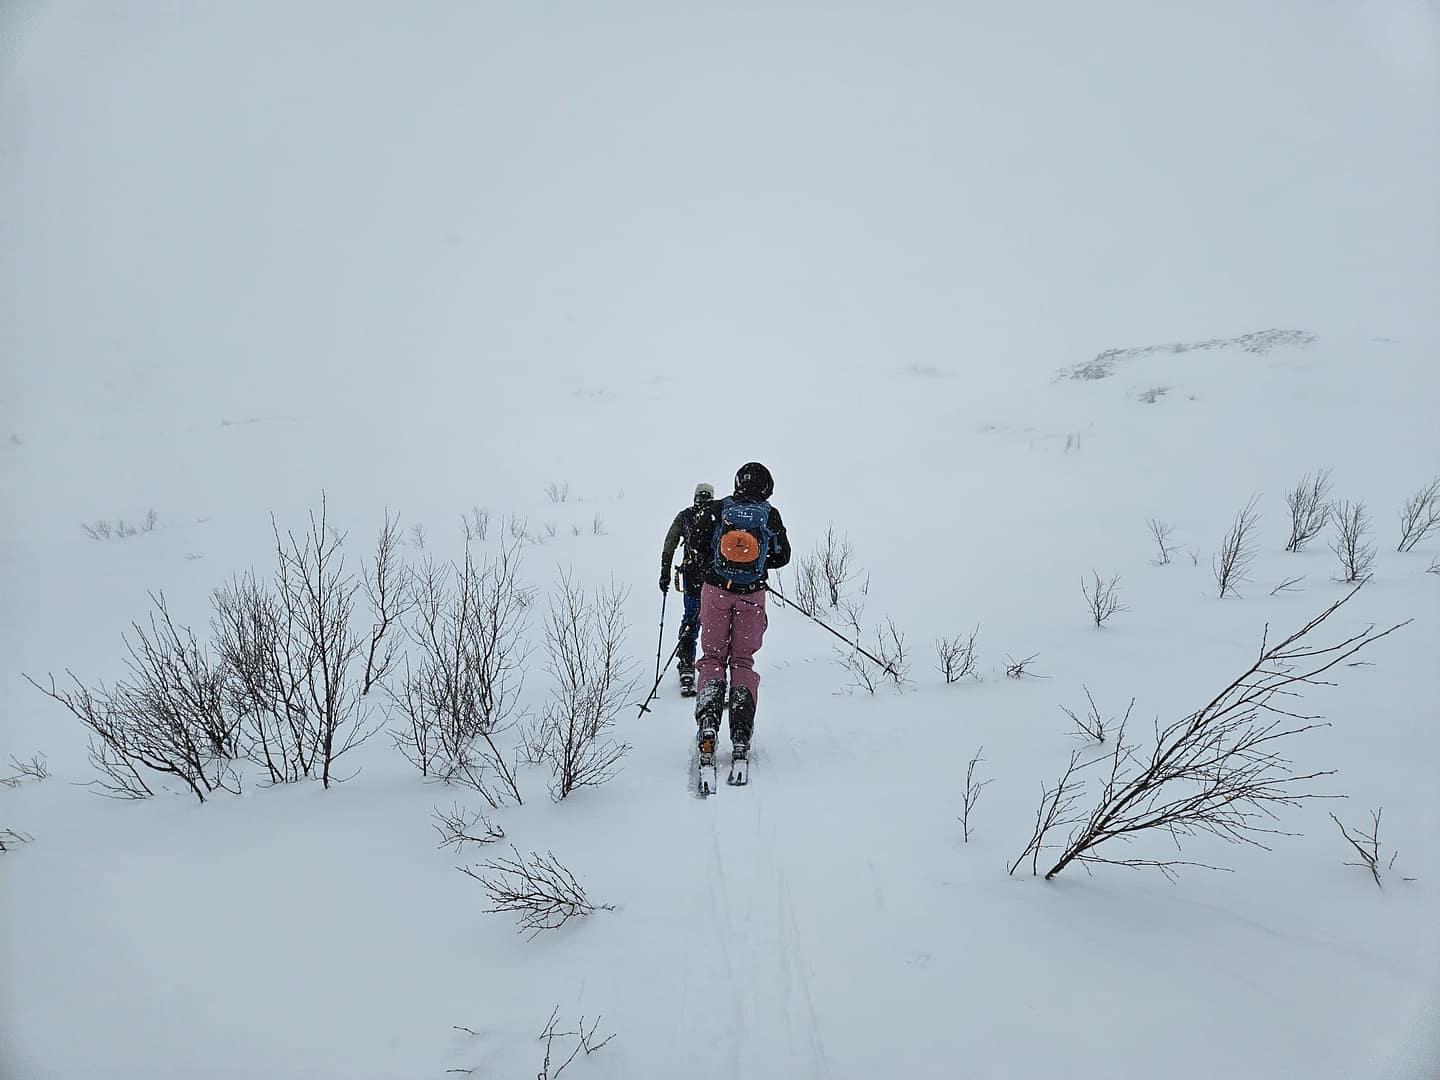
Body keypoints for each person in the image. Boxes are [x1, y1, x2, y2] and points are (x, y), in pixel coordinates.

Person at [689, 462, 790, 784]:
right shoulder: (769, 514)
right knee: (743, 661)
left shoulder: (719, 509)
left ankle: (707, 725)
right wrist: (757, 565)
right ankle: (741, 733)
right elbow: (782, 556)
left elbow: (697, 542)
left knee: (713, 659)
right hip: (751, 595)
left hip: (715, 590)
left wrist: (715, 565)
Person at [659, 481, 715, 696]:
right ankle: (716, 668)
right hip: (716, 580)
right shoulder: (719, 513)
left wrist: (664, 574)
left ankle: (686, 664)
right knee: (717, 623)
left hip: (692, 578)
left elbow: (669, 544)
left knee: (690, 618)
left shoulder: (685, 516)